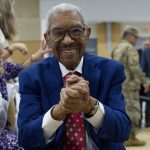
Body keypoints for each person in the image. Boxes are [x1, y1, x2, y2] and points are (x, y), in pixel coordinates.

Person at [18, 3, 131, 150]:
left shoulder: (110, 70)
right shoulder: (32, 77)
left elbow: (122, 131)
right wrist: (58, 112)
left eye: (76, 31)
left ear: (87, 33)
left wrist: (90, 106)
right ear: (47, 38)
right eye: (58, 33)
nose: (68, 40)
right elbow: (25, 138)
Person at [112, 26, 150, 146]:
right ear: (129, 36)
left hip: (120, 85)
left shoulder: (116, 48)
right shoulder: (129, 48)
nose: (136, 40)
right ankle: (131, 138)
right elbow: (135, 67)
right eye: (135, 38)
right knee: (133, 111)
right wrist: (145, 81)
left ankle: (124, 136)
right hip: (131, 86)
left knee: (123, 110)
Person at [141, 42, 150, 127]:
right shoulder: (145, 51)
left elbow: (142, 67)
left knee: (148, 101)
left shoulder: (145, 52)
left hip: (148, 81)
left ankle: (148, 122)